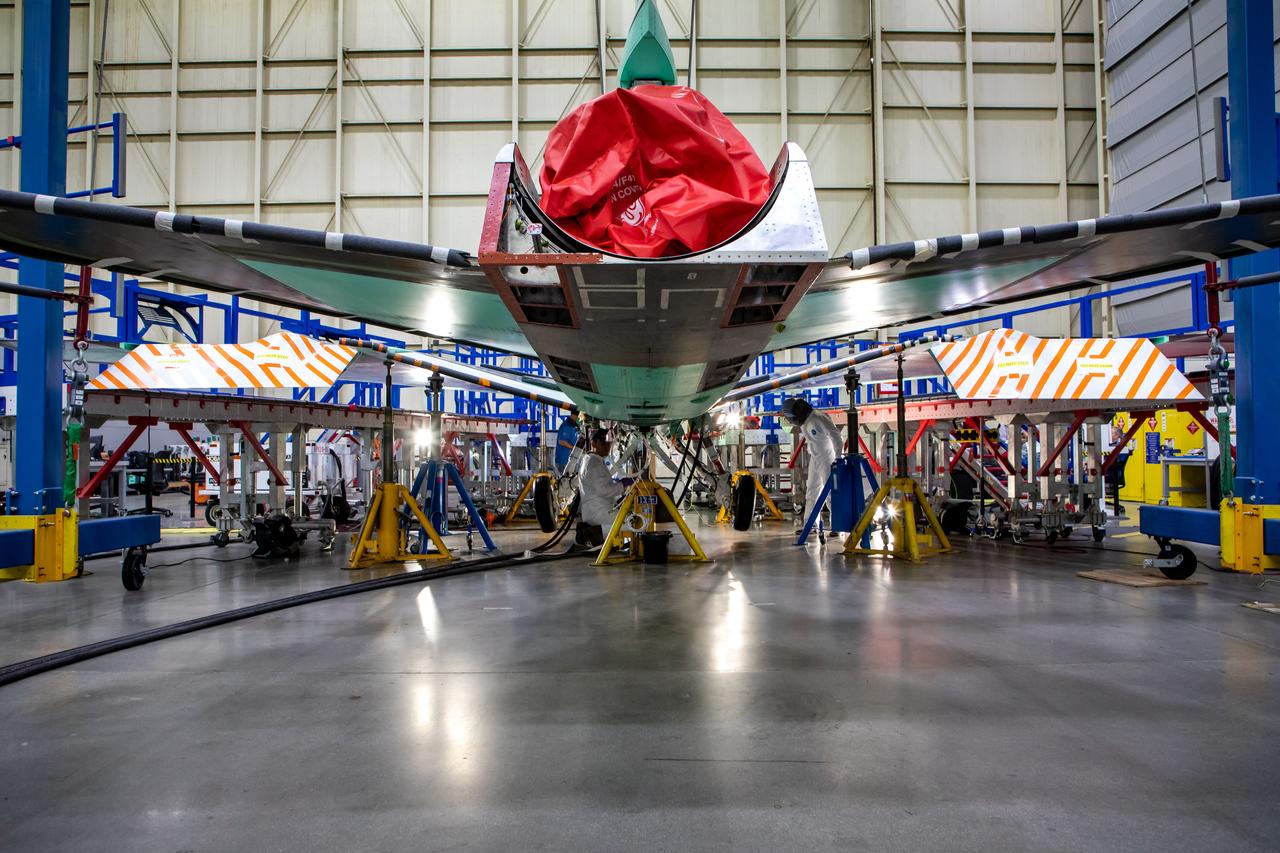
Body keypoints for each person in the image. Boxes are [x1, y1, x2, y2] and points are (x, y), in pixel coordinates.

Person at [781, 397, 842, 521]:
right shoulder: (806, 421)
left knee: (831, 493)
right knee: (812, 492)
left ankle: (838, 524)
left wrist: (838, 458)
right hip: (815, 458)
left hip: (827, 458)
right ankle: (810, 524)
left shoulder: (818, 418)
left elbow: (836, 437)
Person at [576, 428, 628, 546]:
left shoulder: (591, 460)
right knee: (634, 523)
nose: (607, 446)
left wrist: (619, 485)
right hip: (599, 512)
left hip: (596, 510)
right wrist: (623, 485)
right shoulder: (594, 463)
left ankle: (597, 532)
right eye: (602, 442)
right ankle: (594, 532)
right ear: (593, 443)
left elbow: (601, 486)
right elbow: (604, 490)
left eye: (608, 442)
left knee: (629, 518)